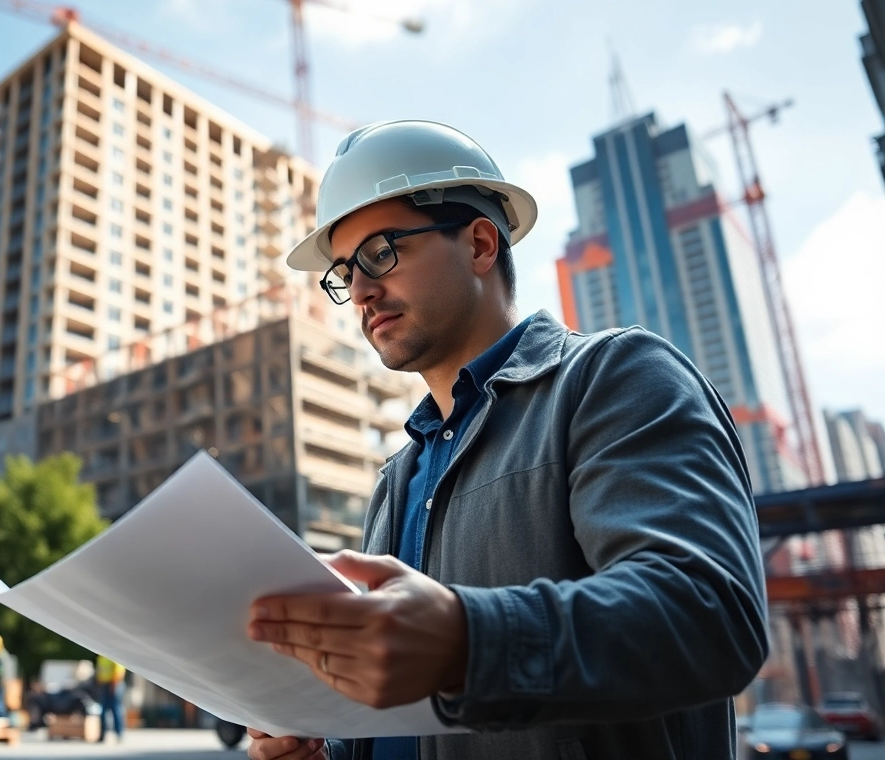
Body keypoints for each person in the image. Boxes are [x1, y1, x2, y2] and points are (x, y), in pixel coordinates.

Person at [244, 120, 769, 760]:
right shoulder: (396, 481)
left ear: (481, 244)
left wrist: (469, 643)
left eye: (381, 252)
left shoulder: (615, 380)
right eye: (345, 271)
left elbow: (708, 616)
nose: (359, 290)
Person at [95, 654, 127, 743]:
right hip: (104, 685)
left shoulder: (114, 655)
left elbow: (119, 672)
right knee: (103, 711)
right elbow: (100, 671)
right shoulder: (101, 657)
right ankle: (102, 734)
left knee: (115, 709)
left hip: (114, 684)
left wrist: (113, 686)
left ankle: (119, 733)